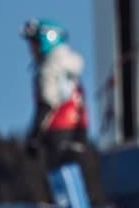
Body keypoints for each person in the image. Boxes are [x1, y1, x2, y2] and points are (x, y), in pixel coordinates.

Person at [22, 19, 89, 174]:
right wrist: (81, 135)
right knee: (71, 177)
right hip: (73, 129)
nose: (31, 49)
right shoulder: (69, 67)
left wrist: (34, 136)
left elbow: (48, 102)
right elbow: (80, 102)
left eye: (34, 43)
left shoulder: (49, 67)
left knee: (58, 179)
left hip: (56, 130)